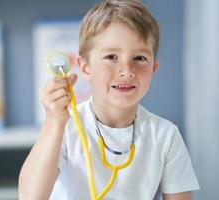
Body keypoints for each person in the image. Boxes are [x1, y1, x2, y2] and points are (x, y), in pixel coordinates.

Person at [18, 0, 200, 199]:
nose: (127, 71)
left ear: (153, 69)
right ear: (85, 67)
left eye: (139, 58)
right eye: (112, 56)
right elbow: (30, 196)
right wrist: (53, 123)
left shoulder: (166, 136)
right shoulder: (66, 128)